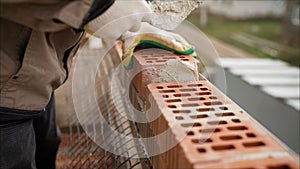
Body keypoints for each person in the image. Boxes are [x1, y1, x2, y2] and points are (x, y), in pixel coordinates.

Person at [0, 0, 195, 169]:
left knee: (47, 146)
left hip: (34, 76)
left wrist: (127, 28)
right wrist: (98, 5)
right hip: (7, 89)